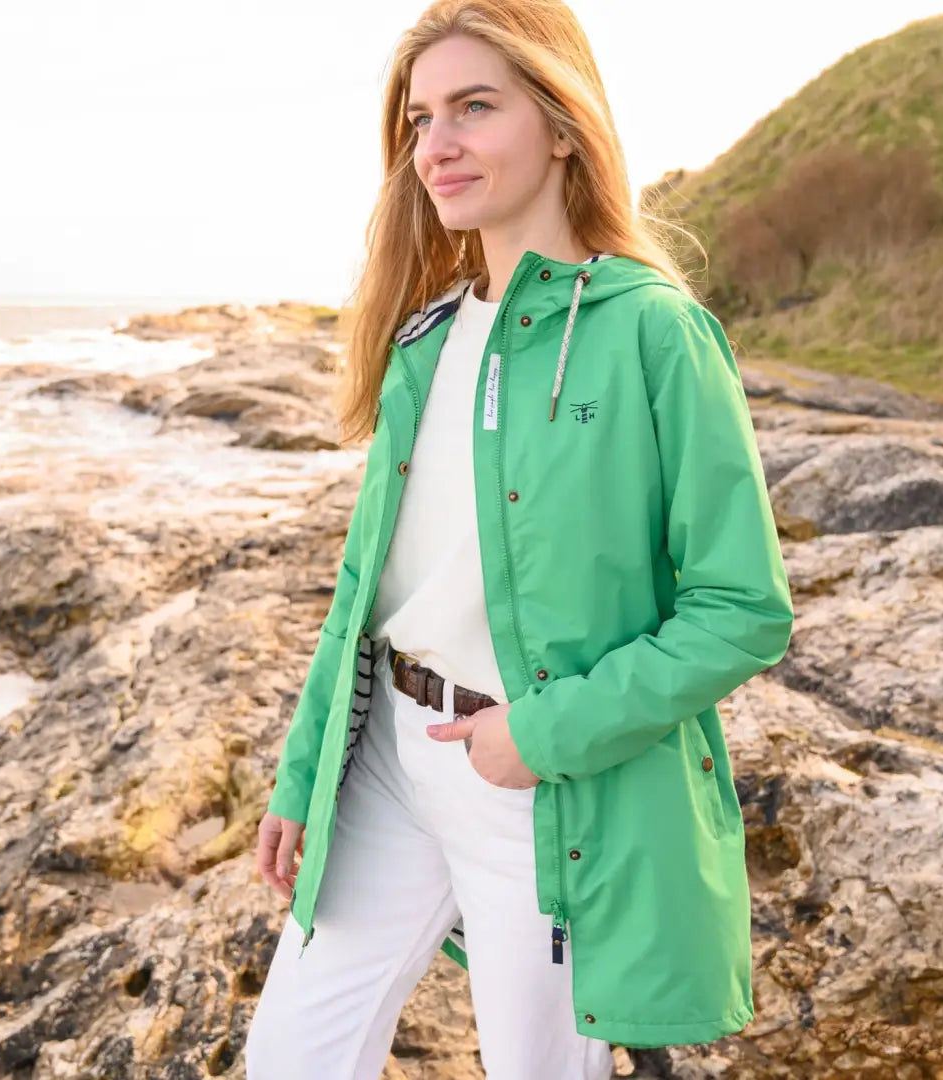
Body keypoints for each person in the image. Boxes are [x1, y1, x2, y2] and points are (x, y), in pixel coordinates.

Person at [245, 1, 794, 1077]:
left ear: (560, 123)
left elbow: (742, 610)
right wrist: (302, 776)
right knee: (291, 1060)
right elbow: (367, 586)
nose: (435, 146)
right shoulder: (429, 336)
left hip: (542, 786)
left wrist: (539, 738)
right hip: (390, 767)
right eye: (418, 120)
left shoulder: (655, 333)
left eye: (473, 107)